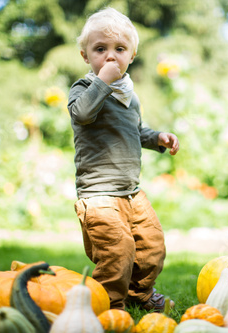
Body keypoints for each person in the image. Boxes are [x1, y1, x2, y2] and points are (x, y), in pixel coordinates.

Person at [68, 7, 180, 312]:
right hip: (99, 194)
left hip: (131, 191)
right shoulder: (85, 88)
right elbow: (82, 114)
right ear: (85, 55)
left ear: (131, 56)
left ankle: (139, 296)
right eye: (100, 49)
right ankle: (109, 307)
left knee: (151, 247)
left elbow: (135, 131)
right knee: (117, 252)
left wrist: (156, 138)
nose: (110, 57)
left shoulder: (129, 93)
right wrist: (102, 82)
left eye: (119, 50)